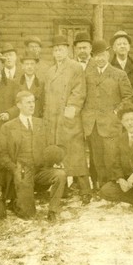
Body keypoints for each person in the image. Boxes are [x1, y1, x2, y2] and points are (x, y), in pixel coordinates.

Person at [0, 91, 67, 221]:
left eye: (33, 102)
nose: (32, 105)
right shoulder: (8, 127)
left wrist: (56, 159)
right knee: (28, 214)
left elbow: (50, 146)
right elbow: (3, 155)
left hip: (41, 169)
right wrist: (14, 169)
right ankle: (16, 202)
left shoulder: (42, 124)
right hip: (22, 171)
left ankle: (53, 210)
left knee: (60, 174)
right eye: (28, 102)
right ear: (19, 105)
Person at [43, 35, 91, 204]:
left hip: (69, 118)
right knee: (59, 155)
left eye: (61, 49)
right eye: (55, 50)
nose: (58, 52)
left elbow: (79, 92)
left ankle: (86, 190)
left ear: (68, 50)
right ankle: (63, 188)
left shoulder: (75, 67)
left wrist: (69, 113)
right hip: (53, 119)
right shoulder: (50, 71)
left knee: (76, 154)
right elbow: (47, 97)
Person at [82, 40, 133, 189]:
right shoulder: (88, 75)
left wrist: (116, 112)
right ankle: (102, 187)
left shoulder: (118, 74)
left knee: (112, 157)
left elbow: (128, 96)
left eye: (102, 55)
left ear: (108, 54)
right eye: (96, 56)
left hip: (111, 124)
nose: (99, 59)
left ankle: (114, 187)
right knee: (97, 158)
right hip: (93, 125)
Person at [17, 50, 45, 117]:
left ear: (36, 66)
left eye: (32, 64)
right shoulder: (16, 83)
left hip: (36, 119)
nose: (29, 67)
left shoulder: (42, 84)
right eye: (27, 64)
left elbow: (43, 105)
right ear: (22, 66)